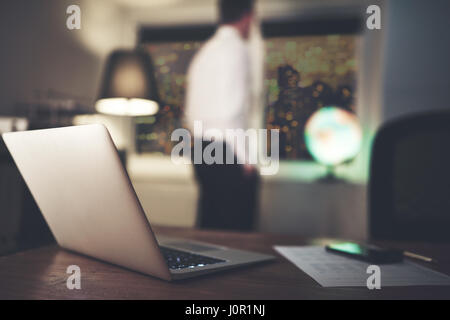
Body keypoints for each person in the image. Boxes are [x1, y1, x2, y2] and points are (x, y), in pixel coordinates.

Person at [184, 0, 258, 231]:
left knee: (210, 226)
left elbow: (192, 110)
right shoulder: (236, 50)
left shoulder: (205, 52)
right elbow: (230, 111)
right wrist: (246, 160)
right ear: (248, 17)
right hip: (225, 151)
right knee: (236, 232)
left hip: (201, 148)